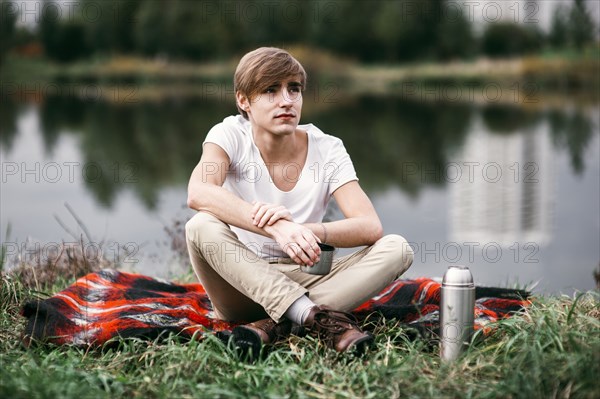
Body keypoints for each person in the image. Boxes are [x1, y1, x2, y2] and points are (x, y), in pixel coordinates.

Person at [185, 47, 413, 355]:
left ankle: (277, 322)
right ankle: (311, 316)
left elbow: (369, 225)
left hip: (308, 272)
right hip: (241, 281)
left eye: (294, 89)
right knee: (200, 225)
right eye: (270, 90)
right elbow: (198, 191)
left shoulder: (328, 148)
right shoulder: (229, 134)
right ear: (243, 100)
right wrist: (277, 227)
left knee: (397, 248)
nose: (286, 100)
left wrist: (307, 231)